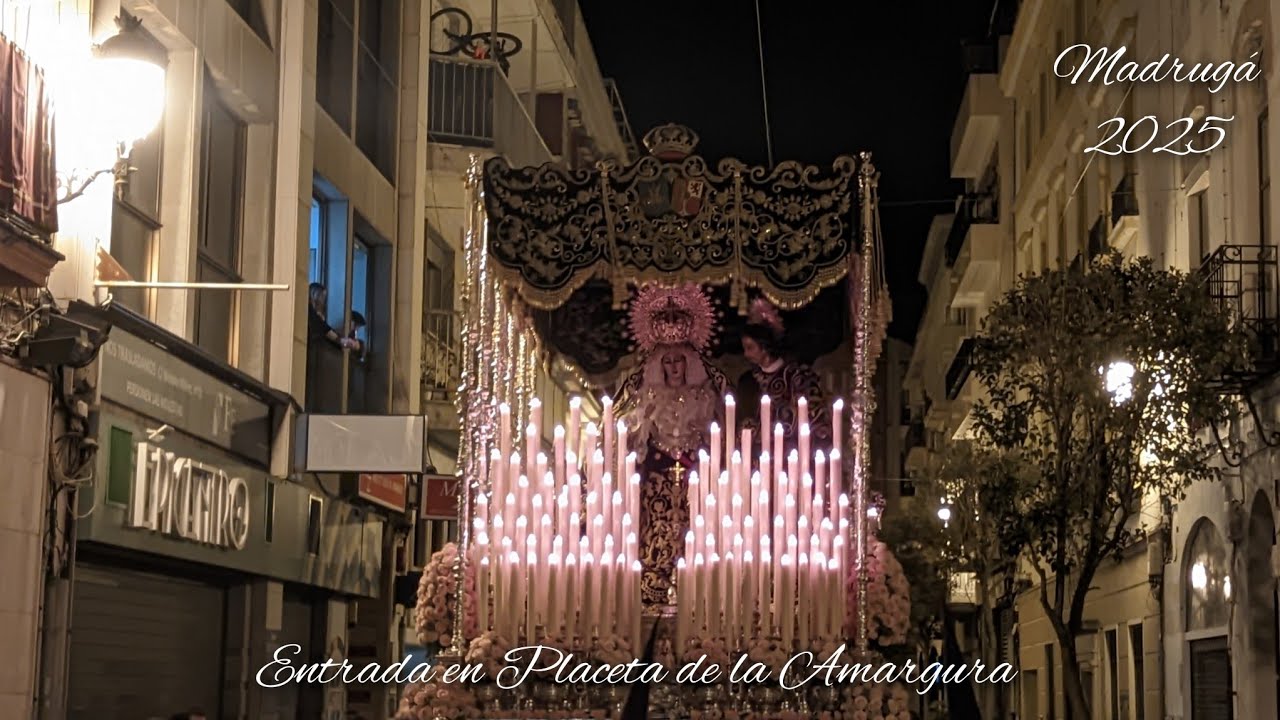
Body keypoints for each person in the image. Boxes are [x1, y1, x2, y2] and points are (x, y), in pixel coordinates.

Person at [615, 284, 725, 609]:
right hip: (657, 479)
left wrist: (705, 433)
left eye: (680, 362)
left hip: (694, 480)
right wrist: (641, 422)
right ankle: (652, 584)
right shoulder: (646, 395)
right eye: (668, 362)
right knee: (655, 535)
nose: (674, 368)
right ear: (659, 365)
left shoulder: (704, 396)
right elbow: (628, 437)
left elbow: (718, 436)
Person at [737, 298, 832, 455]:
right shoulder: (747, 381)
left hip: (792, 457)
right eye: (744, 348)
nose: (746, 354)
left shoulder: (798, 377)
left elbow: (815, 421)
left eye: (750, 348)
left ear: (765, 347)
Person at [308, 283, 357, 351]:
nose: (323, 301)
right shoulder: (311, 313)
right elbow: (325, 329)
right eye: (322, 296)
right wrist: (340, 340)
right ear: (314, 294)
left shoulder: (317, 315)